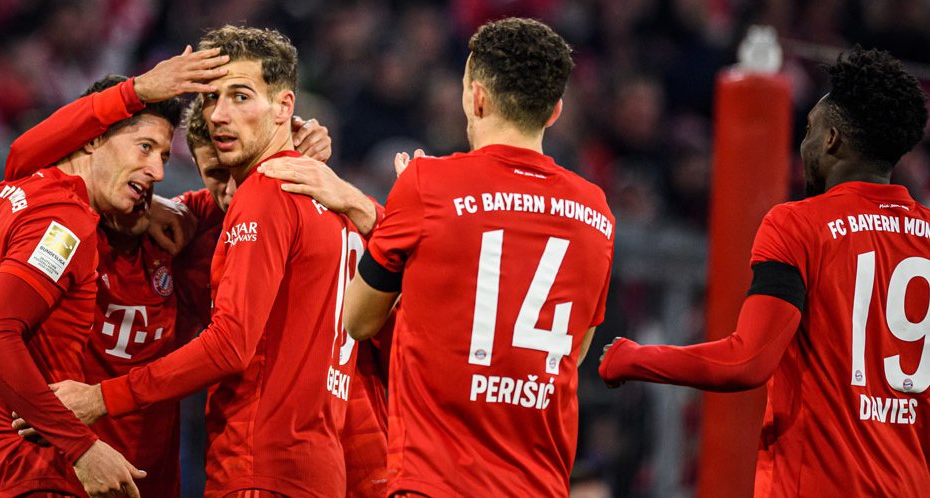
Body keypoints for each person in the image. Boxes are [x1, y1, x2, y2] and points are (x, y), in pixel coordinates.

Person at [48, 25, 381, 497]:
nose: (220, 114)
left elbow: (229, 345)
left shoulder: (266, 194)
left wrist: (101, 398)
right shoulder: (336, 203)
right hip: (320, 468)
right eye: (210, 98)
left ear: (284, 106)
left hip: (259, 465)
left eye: (240, 96)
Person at [598, 47, 930, 497]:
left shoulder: (799, 225)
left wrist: (633, 358)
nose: (803, 146)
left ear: (832, 140)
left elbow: (746, 361)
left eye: (809, 130)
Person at [343, 17, 615, 496]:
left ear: (477, 97)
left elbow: (358, 320)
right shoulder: (597, 213)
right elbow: (572, 355)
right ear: (555, 111)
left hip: (435, 483)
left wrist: (400, 219)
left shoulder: (427, 184)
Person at [0, 47, 221, 498]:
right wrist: (82, 447)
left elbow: (23, 152)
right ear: (92, 139)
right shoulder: (64, 221)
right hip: (31, 472)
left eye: (164, 157)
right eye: (144, 147)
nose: (156, 170)